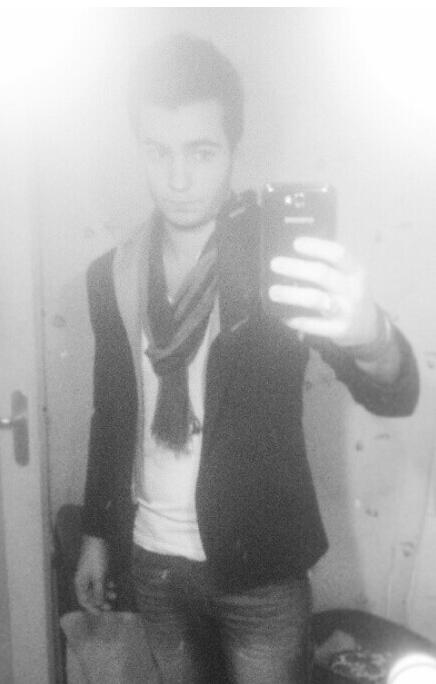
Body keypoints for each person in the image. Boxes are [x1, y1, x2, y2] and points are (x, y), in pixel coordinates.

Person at [74, 33, 419, 683]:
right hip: (153, 562)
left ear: (233, 148)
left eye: (201, 151)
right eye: (158, 151)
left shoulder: (276, 259)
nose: (178, 179)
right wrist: (97, 536)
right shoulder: (111, 275)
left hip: (261, 567)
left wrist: (369, 332)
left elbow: (393, 394)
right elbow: (112, 414)